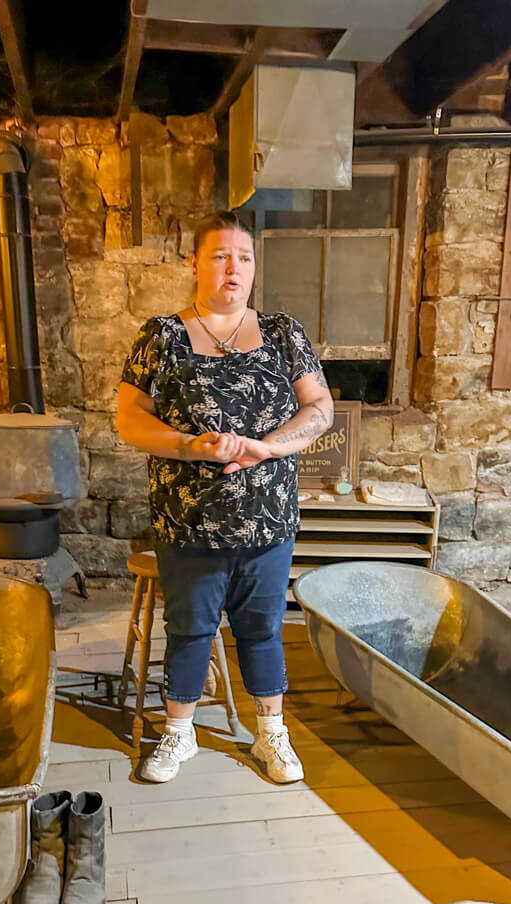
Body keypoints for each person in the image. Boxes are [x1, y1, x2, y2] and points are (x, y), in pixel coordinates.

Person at [116, 209, 334, 784]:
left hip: (267, 518)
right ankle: (179, 734)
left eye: (243, 257)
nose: (232, 268)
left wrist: (266, 447)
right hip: (188, 518)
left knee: (261, 627)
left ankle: (271, 735)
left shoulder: (285, 333)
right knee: (188, 626)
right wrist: (190, 446)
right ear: (195, 263)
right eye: (219, 255)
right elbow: (128, 420)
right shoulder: (161, 335)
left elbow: (320, 409)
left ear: (254, 267)